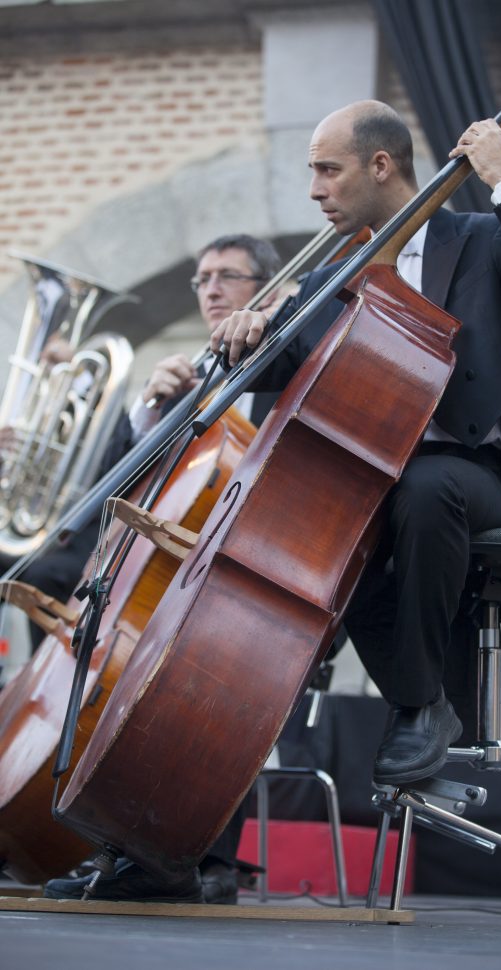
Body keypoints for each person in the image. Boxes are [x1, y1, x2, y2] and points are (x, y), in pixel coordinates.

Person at [209, 100, 501, 789]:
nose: (314, 189)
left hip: (468, 476)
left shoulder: (477, 239)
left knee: (425, 485)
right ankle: (427, 706)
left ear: (380, 165)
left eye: (327, 169)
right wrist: (246, 332)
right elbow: (276, 368)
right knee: (324, 547)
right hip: (373, 483)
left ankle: (417, 711)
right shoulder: (332, 275)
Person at [7, 235, 282, 904]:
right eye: (201, 279)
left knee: (203, 663)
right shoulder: (197, 374)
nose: (210, 289)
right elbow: (121, 490)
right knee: (56, 587)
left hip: (242, 582)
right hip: (160, 577)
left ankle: (189, 854)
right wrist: (149, 414)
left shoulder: (285, 368)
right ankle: (88, 835)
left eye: (227, 277)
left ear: (266, 292)